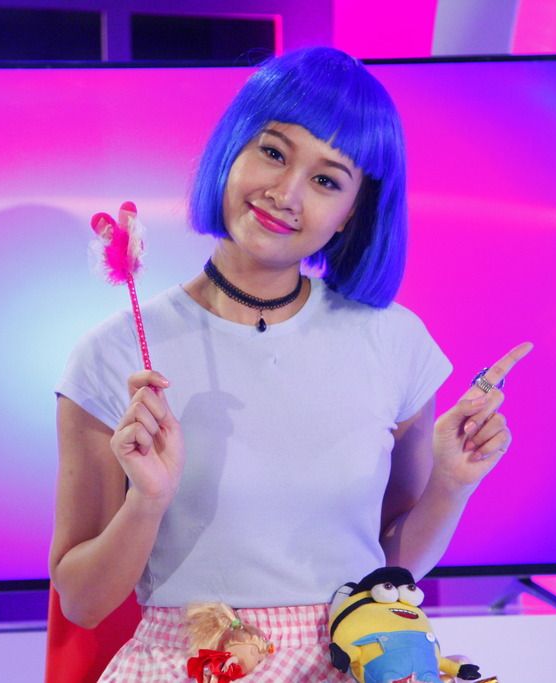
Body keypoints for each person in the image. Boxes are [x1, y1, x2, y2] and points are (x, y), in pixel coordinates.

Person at [50, 46, 531, 681]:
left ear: (354, 211)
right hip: (195, 662)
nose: (285, 194)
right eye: (273, 152)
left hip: (354, 661)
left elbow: (392, 570)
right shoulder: (113, 354)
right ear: (232, 148)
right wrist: (148, 499)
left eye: (327, 180)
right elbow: (82, 603)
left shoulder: (395, 342)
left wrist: (451, 483)